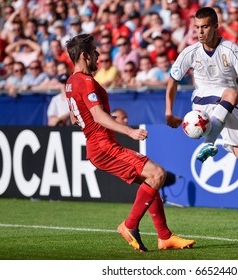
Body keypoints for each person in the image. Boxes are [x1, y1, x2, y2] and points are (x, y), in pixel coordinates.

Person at [65, 33, 195, 252]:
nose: (98, 55)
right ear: (85, 56)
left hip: (97, 144)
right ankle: (129, 225)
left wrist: (101, 121)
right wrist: (129, 131)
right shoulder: (86, 81)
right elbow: (96, 115)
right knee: (157, 174)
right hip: (103, 145)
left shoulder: (70, 82)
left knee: (151, 180)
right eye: (95, 52)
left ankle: (164, 237)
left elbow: (74, 117)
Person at [165, 7, 238, 246]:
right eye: (196, 27)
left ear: (216, 26)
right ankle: (209, 141)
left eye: (204, 27)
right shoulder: (190, 52)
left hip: (225, 108)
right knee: (232, 92)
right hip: (203, 105)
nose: (199, 32)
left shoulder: (230, 49)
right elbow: (172, 82)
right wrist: (168, 111)